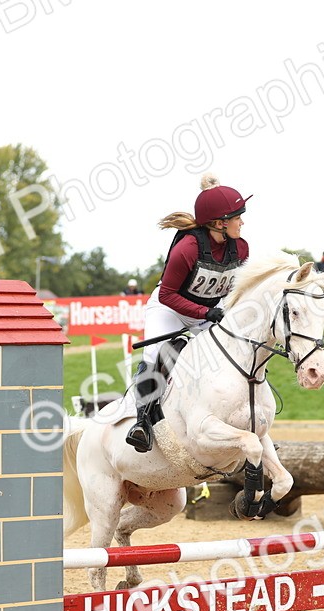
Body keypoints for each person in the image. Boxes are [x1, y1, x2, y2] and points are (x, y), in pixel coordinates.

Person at [125, 173, 251, 453]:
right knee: (154, 353)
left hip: (207, 312)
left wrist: (224, 310)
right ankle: (142, 421)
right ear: (220, 223)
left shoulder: (241, 247)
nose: (243, 222)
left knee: (233, 352)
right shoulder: (188, 248)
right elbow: (169, 294)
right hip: (169, 308)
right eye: (238, 217)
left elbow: (235, 287)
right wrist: (207, 312)